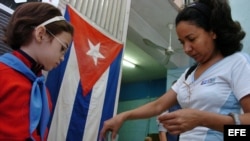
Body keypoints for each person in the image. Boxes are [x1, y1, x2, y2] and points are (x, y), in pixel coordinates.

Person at [100, 0, 250, 141]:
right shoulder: (189, 74)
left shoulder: (236, 63)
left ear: (213, 32)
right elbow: (158, 105)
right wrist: (124, 116)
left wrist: (202, 119)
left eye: (191, 39)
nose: (186, 49)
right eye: (182, 42)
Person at [0, 2, 74, 141]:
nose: (63, 57)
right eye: (62, 48)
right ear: (41, 34)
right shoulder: (3, 74)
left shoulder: (42, 92)